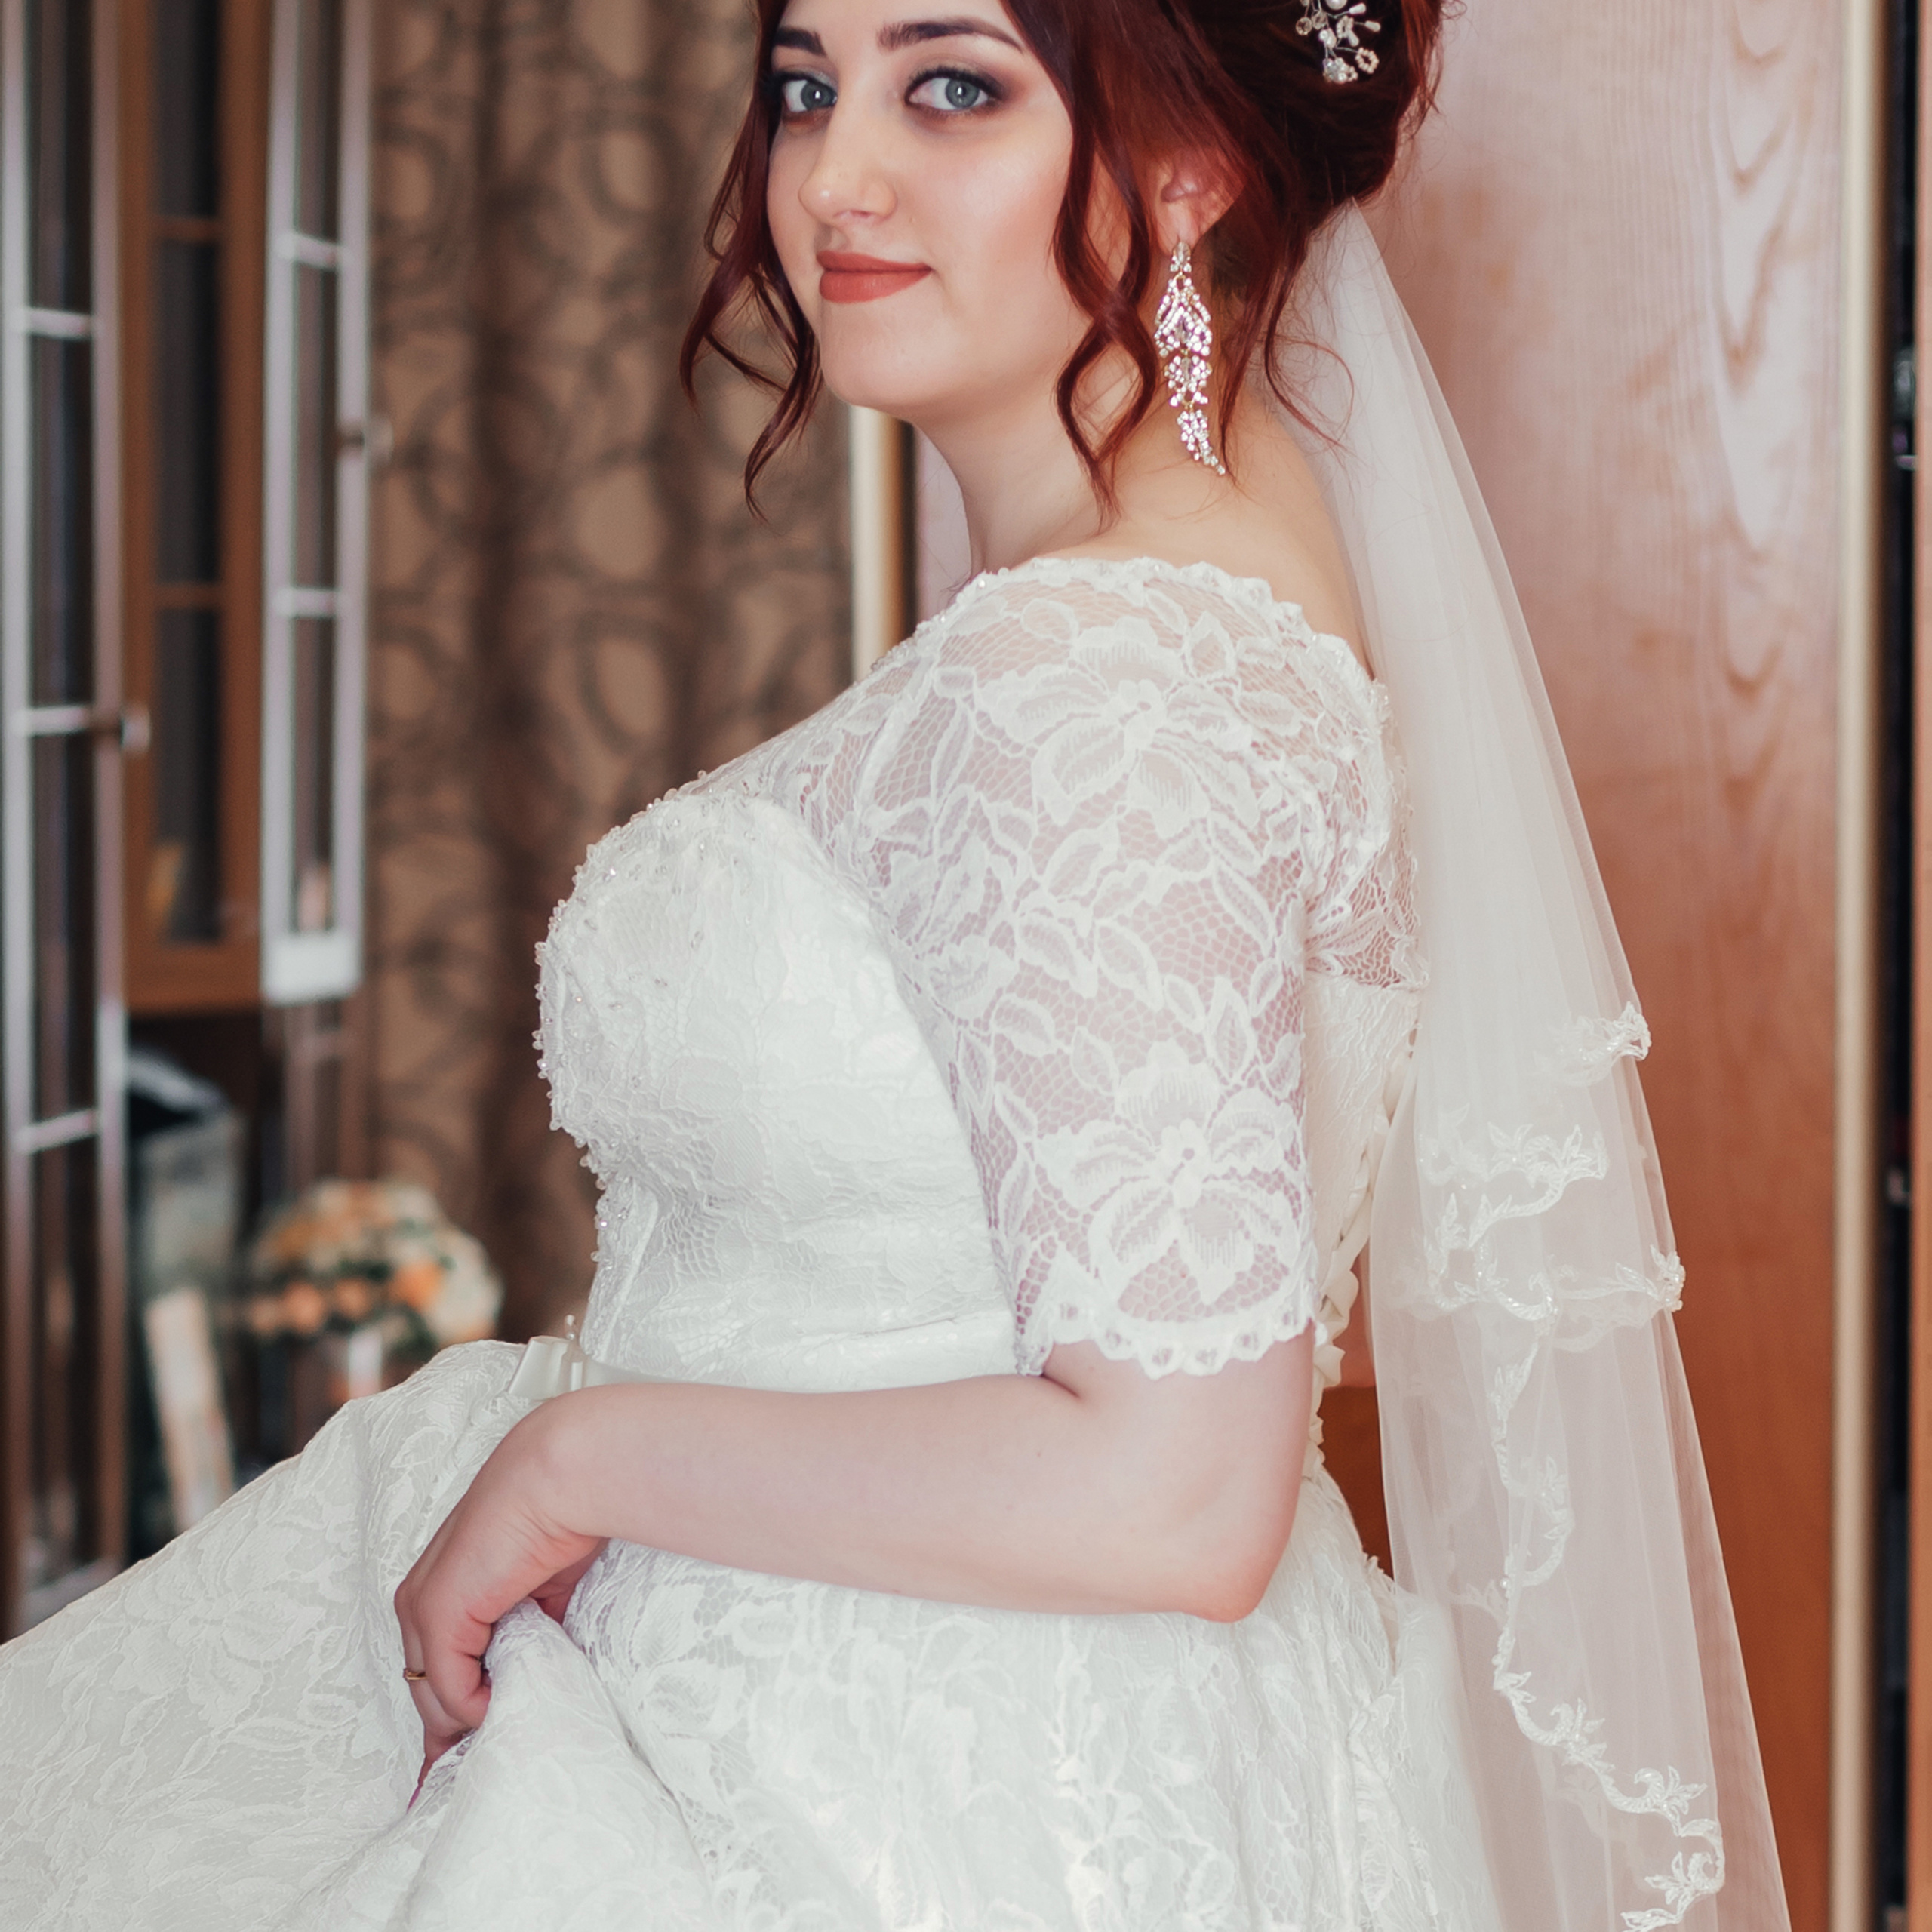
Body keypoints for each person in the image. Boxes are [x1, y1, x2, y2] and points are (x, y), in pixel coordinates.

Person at [0, 0, 1789, 1925]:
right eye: (803, 87)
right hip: (982, 1732)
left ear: (1190, 163)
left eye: (951, 87)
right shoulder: (1188, 600)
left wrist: (575, 1458)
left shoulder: (1095, 679)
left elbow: (1178, 1489)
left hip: (918, 1795)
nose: (831, 177)